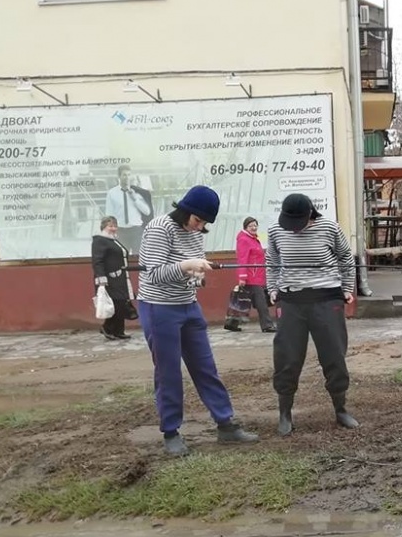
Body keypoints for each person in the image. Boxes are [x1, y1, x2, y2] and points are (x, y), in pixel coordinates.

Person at [137, 184, 258, 455]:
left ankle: (225, 424)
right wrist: (186, 266)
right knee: (168, 372)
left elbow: (191, 269)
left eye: (204, 223)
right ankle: (171, 432)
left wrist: (197, 275)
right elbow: (154, 273)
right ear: (185, 210)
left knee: (205, 366)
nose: (198, 226)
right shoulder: (159, 228)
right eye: (196, 219)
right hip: (159, 307)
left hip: (188, 306)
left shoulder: (195, 234)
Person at [266, 193, 359, 436]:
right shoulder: (276, 230)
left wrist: (347, 288)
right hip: (291, 301)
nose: (294, 230)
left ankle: (341, 410)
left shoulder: (329, 227)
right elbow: (272, 261)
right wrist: (273, 288)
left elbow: (346, 258)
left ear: (310, 214)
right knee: (287, 357)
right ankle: (284, 414)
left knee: (334, 355)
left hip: (326, 299)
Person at [226, 216, 276, 333]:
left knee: (242, 300)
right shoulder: (244, 240)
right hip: (251, 277)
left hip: (256, 276)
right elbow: (242, 259)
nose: (254, 227)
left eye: (255, 225)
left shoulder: (253, 239)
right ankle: (267, 325)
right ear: (245, 227)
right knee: (261, 302)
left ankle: (232, 324)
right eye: (251, 226)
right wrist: (242, 277)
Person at [91, 216, 133, 340]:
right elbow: (97, 260)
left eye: (115, 226)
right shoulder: (99, 240)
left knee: (122, 302)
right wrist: (101, 277)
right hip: (109, 278)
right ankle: (107, 328)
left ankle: (119, 331)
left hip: (121, 278)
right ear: (103, 227)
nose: (113, 228)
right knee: (115, 304)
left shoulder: (114, 240)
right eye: (110, 226)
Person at [105, 164, 153, 255]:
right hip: (121, 231)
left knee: (138, 259)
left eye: (129, 175)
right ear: (119, 176)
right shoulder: (112, 193)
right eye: (124, 175)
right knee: (121, 260)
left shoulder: (137, 192)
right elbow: (109, 215)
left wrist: (135, 199)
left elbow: (147, 212)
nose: (127, 177)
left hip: (136, 231)